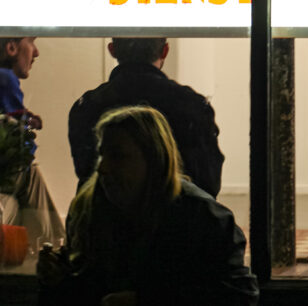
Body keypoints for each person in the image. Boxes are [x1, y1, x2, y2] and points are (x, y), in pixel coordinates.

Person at [38, 106, 258, 306]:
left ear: (154, 160)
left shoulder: (204, 218)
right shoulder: (90, 209)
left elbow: (240, 296)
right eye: (102, 155)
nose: (102, 168)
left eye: (118, 156)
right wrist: (59, 278)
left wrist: (146, 301)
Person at [68, 38, 224, 197]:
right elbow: (208, 181)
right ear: (165, 51)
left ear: (112, 50)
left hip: (107, 218)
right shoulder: (192, 105)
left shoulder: (87, 106)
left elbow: (86, 173)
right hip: (177, 218)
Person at [0, 36, 65, 248]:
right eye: (32, 42)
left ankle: (53, 243)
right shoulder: (3, 78)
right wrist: (26, 131)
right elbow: (22, 149)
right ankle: (54, 246)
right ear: (11, 47)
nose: (36, 52)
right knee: (31, 172)